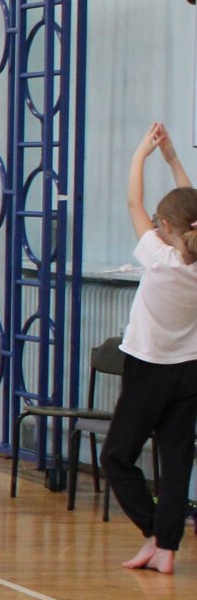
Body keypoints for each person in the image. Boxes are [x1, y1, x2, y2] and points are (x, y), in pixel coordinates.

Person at [106, 122, 197, 576]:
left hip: (149, 369)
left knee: (117, 457)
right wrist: (175, 161)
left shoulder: (160, 259)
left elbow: (132, 203)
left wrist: (142, 153)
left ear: (165, 228)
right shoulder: (186, 255)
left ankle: (154, 532)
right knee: (176, 458)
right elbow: (189, 207)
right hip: (189, 371)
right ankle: (168, 546)